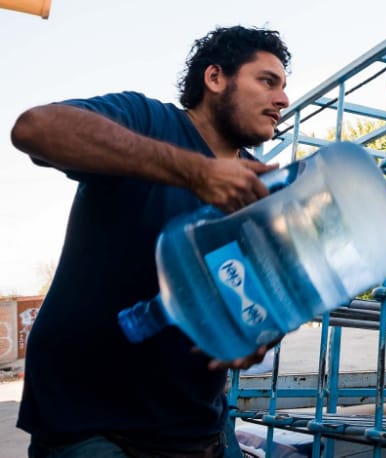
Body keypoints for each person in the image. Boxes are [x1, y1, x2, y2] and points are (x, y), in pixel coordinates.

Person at [10, 25, 292, 457]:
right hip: (94, 429)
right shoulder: (147, 121)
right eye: (267, 81)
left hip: (202, 428)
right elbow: (34, 128)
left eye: (284, 87)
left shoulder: (264, 187)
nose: (283, 99)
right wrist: (194, 172)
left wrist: (261, 330)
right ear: (215, 78)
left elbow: (264, 294)